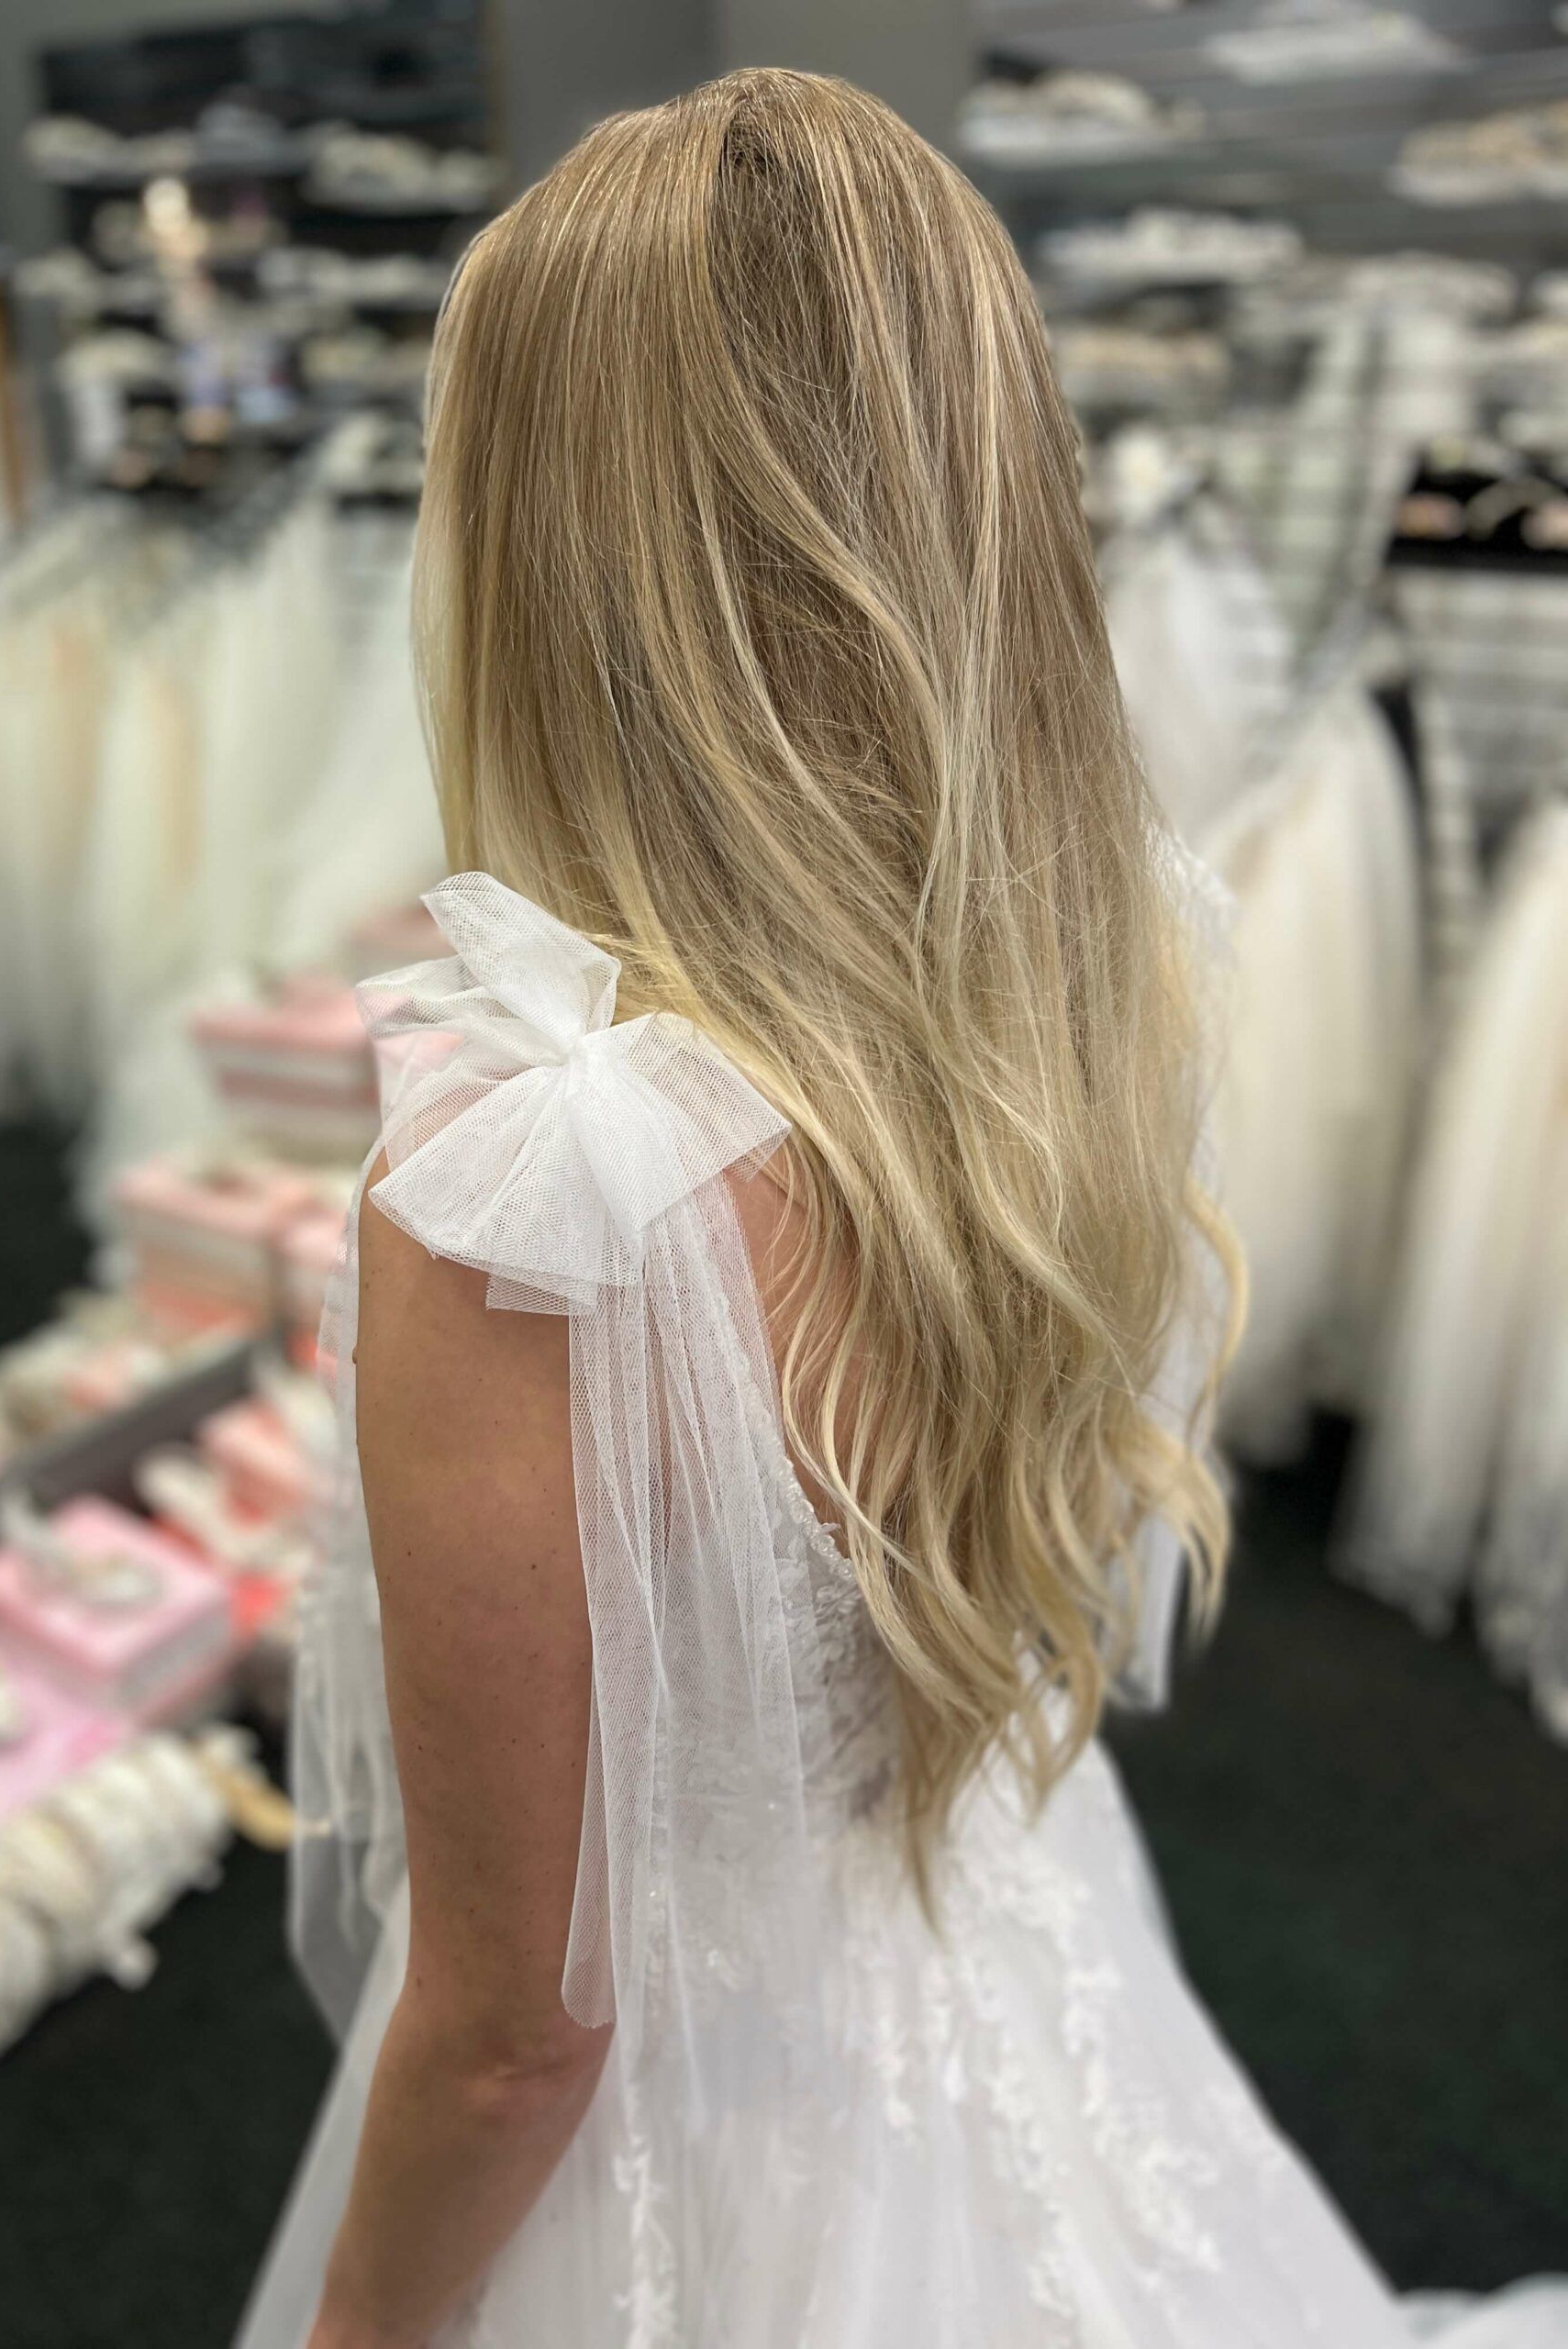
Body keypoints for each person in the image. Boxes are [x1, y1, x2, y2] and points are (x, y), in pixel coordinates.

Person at [239, 69, 1567, 2349]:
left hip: (695, 2136)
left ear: (545, 549)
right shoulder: (1109, 953)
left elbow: (515, 2022)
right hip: (979, 1898)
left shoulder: (535, 1184)